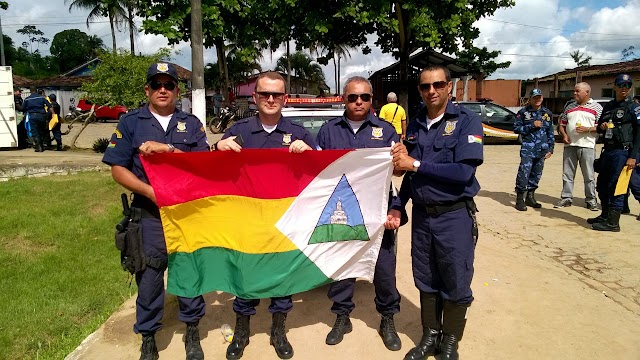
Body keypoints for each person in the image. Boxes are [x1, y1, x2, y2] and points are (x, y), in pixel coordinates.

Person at [102, 62, 209, 360]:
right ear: (147, 89)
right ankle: (148, 336)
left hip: (186, 213)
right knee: (149, 275)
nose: (163, 90)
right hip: (149, 213)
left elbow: (204, 165)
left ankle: (192, 331)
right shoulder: (131, 123)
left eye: (169, 85)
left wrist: (170, 151)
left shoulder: (192, 123)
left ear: (177, 90)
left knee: (188, 271)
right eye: (157, 84)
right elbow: (118, 169)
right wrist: (150, 192)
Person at [214, 71, 315, 360]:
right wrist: (217, 147)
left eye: (277, 94)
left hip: (285, 222)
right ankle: (241, 332)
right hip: (247, 223)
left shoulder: (298, 132)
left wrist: (309, 152)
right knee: (245, 278)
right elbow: (216, 174)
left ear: (285, 98)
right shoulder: (240, 131)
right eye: (264, 94)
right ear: (255, 97)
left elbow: (321, 172)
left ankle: (278, 331)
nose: (271, 99)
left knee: (282, 280)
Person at [389, 65, 483, 360]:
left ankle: (450, 341)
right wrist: (397, 205)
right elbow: (409, 175)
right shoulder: (416, 124)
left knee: (455, 278)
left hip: (454, 215)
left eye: (438, 85)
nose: (432, 91)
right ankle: (429, 336)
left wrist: (414, 164)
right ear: (420, 89)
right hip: (422, 217)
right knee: (426, 277)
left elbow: (462, 172)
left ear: (449, 87)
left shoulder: (467, 121)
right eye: (425, 86)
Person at [316, 77, 403, 352]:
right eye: (353, 97)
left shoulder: (386, 130)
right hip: (342, 211)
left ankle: (387, 319)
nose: (358, 102)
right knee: (342, 268)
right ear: (344, 98)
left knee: (384, 270)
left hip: (378, 210)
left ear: (372, 99)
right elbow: (316, 171)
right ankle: (342, 317)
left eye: (364, 97)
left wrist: (402, 159)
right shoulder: (328, 132)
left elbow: (398, 171)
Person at [589, 74, 640, 232]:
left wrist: (633, 156)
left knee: (616, 186)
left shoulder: (634, 107)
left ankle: (613, 222)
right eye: (621, 85)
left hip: (623, 152)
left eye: (627, 86)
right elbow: (598, 128)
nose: (624, 88)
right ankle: (605, 215)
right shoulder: (609, 106)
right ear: (615, 87)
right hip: (608, 150)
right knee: (602, 184)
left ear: (630, 88)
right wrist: (601, 127)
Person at [555, 82, 602, 210]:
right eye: (574, 91)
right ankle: (566, 198)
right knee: (567, 174)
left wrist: (587, 129)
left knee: (589, 175)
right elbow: (562, 124)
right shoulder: (569, 107)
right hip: (570, 145)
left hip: (587, 146)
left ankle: (591, 200)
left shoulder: (597, 107)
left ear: (587, 92)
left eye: (577, 91)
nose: (574, 93)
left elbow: (602, 127)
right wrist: (564, 135)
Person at [513, 88, 555, 211]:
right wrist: (531, 125)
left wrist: (551, 148)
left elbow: (550, 132)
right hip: (528, 148)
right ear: (530, 99)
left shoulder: (547, 113)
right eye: (534, 97)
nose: (537, 99)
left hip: (542, 148)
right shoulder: (523, 112)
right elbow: (516, 129)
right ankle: (520, 198)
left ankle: (530, 197)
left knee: (537, 173)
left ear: (542, 98)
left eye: (539, 97)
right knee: (524, 173)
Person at [21, 87, 53, 152]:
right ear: (37, 91)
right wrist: (53, 114)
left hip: (33, 116)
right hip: (42, 116)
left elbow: (22, 108)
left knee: (35, 131)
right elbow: (50, 106)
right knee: (42, 130)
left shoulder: (27, 99)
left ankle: (39, 147)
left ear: (30, 91)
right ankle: (43, 145)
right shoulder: (41, 98)